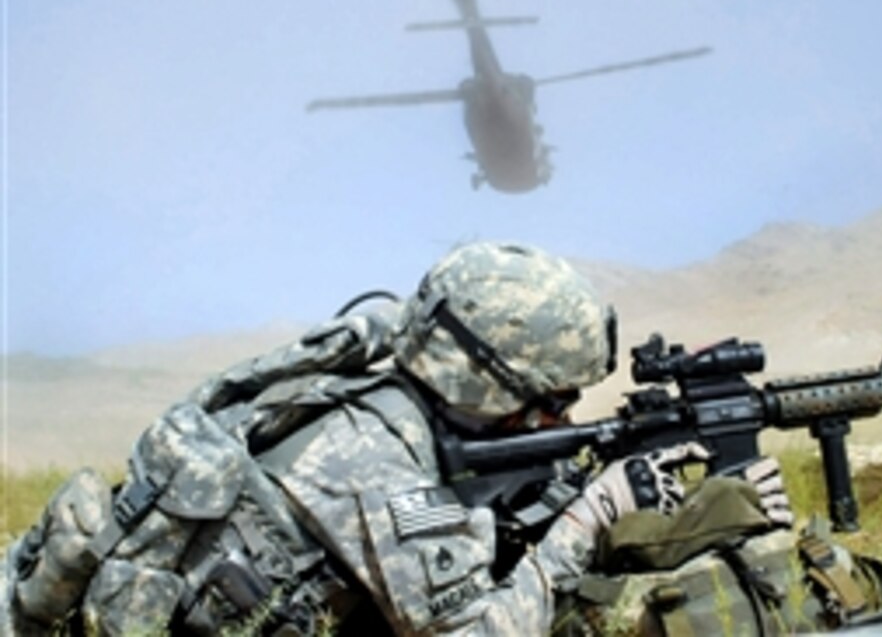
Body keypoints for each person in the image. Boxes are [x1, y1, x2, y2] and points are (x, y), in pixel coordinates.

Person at [1, 241, 794, 635]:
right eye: (552, 400)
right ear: (489, 383)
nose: (559, 418)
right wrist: (587, 522)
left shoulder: (389, 393)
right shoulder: (370, 460)